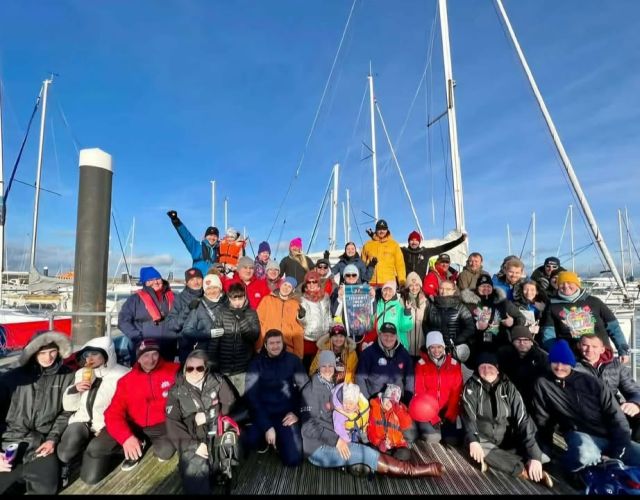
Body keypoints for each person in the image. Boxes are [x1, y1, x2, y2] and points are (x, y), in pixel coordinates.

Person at [300, 350, 443, 478]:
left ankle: (355, 465)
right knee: (365, 453)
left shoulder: (331, 385)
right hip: (319, 448)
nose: (327, 370)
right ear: (318, 367)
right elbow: (308, 426)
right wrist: (336, 440)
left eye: (330, 366)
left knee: (364, 451)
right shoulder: (310, 390)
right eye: (324, 366)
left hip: (337, 436)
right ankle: (414, 471)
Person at [532, 339, 640, 474]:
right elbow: (542, 420)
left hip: (609, 436)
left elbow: (616, 417)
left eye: (564, 363)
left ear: (571, 364)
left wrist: (617, 453)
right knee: (585, 455)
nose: (559, 367)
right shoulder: (543, 383)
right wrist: (542, 452)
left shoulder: (593, 383)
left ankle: (602, 462)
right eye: (555, 362)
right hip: (580, 435)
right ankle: (571, 472)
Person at [83, 340, 179, 484]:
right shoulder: (127, 380)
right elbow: (112, 413)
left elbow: (196, 377)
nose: (151, 360)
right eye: (145, 356)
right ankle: (136, 444)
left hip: (162, 424)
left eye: (154, 354)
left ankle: (142, 446)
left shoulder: (174, 371)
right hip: (133, 425)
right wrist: (126, 437)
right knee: (95, 451)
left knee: (165, 452)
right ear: (138, 358)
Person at [461, 351, 553, 488]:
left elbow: (523, 419)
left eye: (490, 366)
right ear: (477, 370)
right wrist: (473, 441)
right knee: (474, 446)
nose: (486, 370)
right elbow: (468, 417)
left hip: (507, 438)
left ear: (497, 369)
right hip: (483, 438)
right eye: (482, 367)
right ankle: (524, 471)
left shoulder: (509, 387)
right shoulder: (471, 387)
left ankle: (525, 460)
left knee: (537, 448)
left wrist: (534, 456)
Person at [0, 331, 74, 495]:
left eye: (52, 352)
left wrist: (52, 439)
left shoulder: (68, 376)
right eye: (42, 353)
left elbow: (66, 412)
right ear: (33, 353)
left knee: (47, 489)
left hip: (41, 443)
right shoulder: (10, 378)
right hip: (9, 441)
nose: (48, 357)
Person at [58, 336, 129, 487]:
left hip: (107, 425)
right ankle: (67, 464)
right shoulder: (81, 373)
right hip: (82, 421)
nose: (90, 359)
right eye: (87, 355)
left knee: (90, 478)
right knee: (65, 451)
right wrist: (74, 390)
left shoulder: (123, 375)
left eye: (95, 354)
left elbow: (128, 408)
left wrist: (108, 427)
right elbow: (70, 407)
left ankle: (116, 451)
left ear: (107, 354)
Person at [165, 350, 238, 495]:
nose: (194, 372)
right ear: (184, 369)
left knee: (230, 447)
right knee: (196, 471)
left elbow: (229, 402)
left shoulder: (218, 381)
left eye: (199, 368)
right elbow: (172, 423)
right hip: (192, 435)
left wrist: (209, 415)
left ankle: (222, 472)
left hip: (215, 428)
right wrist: (194, 445)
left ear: (206, 368)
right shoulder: (175, 391)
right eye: (190, 368)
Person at [244, 330, 309, 466]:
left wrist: (296, 413)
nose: (275, 346)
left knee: (294, 459)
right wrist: (267, 426)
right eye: (271, 343)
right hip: (263, 414)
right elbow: (252, 397)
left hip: (286, 416)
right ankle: (268, 439)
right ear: (265, 345)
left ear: (283, 343)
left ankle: (280, 440)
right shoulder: (256, 364)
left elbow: (306, 389)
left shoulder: (293, 361)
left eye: (278, 342)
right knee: (249, 441)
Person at [540, 271, 630, 361]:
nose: (566, 286)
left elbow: (614, 328)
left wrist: (622, 350)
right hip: (572, 357)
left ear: (577, 284)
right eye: (562, 283)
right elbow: (548, 335)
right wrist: (557, 353)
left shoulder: (595, 302)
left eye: (570, 283)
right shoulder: (552, 306)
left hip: (600, 356)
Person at [574, 334, 640, 442]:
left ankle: (634, 447)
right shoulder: (571, 366)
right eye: (585, 345)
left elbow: (633, 390)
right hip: (587, 416)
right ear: (578, 346)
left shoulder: (616, 365)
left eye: (594, 346)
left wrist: (635, 403)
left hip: (614, 409)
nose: (590, 350)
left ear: (602, 349)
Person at [411, 331, 463, 444]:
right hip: (428, 411)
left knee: (452, 440)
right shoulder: (421, 365)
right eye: (432, 347)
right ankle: (422, 428)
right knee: (433, 438)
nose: (436, 351)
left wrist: (450, 414)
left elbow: (456, 392)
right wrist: (433, 417)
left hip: (447, 411)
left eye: (439, 347)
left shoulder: (454, 365)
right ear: (428, 349)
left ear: (444, 347)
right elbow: (419, 392)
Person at [209, 282, 260, 396]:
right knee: (226, 400)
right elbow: (215, 340)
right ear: (229, 298)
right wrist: (212, 361)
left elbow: (253, 337)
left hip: (243, 368)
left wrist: (242, 319)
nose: (237, 302)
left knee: (242, 398)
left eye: (240, 298)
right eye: (234, 299)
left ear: (245, 297)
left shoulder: (251, 313)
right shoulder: (222, 313)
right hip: (224, 367)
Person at [118, 266, 177, 361]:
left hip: (168, 348)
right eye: (150, 280)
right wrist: (137, 338)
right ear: (145, 283)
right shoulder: (134, 300)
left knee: (167, 369)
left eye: (157, 278)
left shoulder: (174, 297)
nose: (155, 282)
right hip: (144, 348)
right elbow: (123, 321)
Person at [461, 274, 523, 354]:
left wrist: (512, 322)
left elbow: (521, 318)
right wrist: (476, 325)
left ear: (492, 288)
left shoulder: (502, 301)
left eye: (488, 286)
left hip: (501, 343)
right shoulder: (468, 304)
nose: (486, 288)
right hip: (476, 343)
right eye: (482, 286)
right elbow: (461, 322)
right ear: (477, 287)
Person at [356, 322, 414, 406]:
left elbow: (410, 377)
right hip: (375, 402)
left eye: (392, 336)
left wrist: (408, 399)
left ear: (396, 336)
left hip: (397, 402)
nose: (388, 338)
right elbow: (360, 378)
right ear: (380, 335)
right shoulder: (368, 353)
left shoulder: (403, 353)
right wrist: (367, 401)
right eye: (385, 335)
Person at [496, 326, 549, 416]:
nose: (522, 343)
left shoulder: (541, 357)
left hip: (533, 397)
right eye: (518, 340)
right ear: (513, 342)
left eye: (525, 340)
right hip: (509, 395)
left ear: (531, 342)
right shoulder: (503, 354)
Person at [423, 280, 475, 364]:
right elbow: (425, 324)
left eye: (448, 289)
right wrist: (431, 340)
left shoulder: (461, 307)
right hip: (434, 350)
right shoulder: (431, 306)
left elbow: (470, 327)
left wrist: (456, 340)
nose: (444, 291)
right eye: (441, 288)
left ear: (454, 291)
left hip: (453, 351)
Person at [180, 272, 228, 362]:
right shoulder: (198, 306)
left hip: (225, 353)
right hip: (204, 355)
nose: (212, 291)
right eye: (208, 288)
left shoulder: (228, 304)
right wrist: (208, 334)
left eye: (215, 287)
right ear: (204, 290)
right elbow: (187, 331)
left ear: (220, 288)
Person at [256, 276, 305, 358]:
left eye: (289, 286)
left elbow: (297, 330)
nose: (286, 288)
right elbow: (259, 323)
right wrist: (259, 346)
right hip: (268, 345)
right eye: (285, 284)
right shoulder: (267, 300)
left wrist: (298, 354)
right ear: (280, 285)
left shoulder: (295, 304)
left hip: (287, 348)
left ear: (293, 290)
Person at [167, 267, 204, 364]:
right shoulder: (179, 299)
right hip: (187, 349)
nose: (196, 282)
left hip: (207, 348)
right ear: (187, 283)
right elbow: (171, 325)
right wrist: (188, 309)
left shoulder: (208, 295)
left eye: (198, 278)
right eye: (192, 280)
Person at [167, 210, 219, 277]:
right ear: (205, 236)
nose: (212, 238)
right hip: (198, 279)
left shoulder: (218, 249)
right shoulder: (197, 246)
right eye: (210, 235)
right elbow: (186, 236)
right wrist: (176, 221)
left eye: (215, 236)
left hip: (212, 281)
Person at [368, 384, 413, 460]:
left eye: (392, 402)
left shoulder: (400, 409)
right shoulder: (374, 408)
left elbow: (407, 424)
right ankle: (385, 462)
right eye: (388, 400)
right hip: (379, 446)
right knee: (371, 450)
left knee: (405, 454)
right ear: (384, 398)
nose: (389, 404)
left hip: (396, 447)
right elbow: (370, 432)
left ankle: (389, 462)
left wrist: (397, 409)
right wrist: (381, 443)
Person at [402, 230, 466, 282]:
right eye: (412, 240)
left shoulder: (425, 252)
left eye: (416, 240)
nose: (414, 242)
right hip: (406, 283)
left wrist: (460, 240)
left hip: (420, 285)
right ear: (408, 241)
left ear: (419, 241)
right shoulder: (403, 251)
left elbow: (443, 248)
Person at [300, 271, 332, 369]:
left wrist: (330, 328)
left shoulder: (326, 297)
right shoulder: (302, 299)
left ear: (318, 282)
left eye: (314, 282)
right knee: (307, 366)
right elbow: (302, 322)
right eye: (309, 282)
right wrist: (301, 316)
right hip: (309, 338)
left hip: (324, 338)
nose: (311, 284)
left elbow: (329, 314)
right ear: (305, 284)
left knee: (321, 366)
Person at [368, 281, 413, 351]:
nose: (387, 293)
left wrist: (407, 311)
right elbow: (371, 322)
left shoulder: (398, 307)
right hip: (381, 343)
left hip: (396, 345)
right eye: (385, 290)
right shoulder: (378, 304)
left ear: (394, 293)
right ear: (382, 291)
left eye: (390, 291)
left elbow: (406, 327)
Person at [361, 219, 406, 287]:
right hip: (371, 283)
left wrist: (402, 282)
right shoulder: (367, 245)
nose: (382, 231)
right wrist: (362, 280)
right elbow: (362, 265)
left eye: (384, 229)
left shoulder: (394, 245)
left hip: (389, 283)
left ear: (387, 230)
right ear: (376, 230)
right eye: (379, 229)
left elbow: (400, 265)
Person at [401, 272, 429, 358]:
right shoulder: (402, 301)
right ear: (407, 287)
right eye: (411, 285)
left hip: (421, 345)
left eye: (417, 285)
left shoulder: (426, 301)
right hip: (407, 345)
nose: (414, 288)